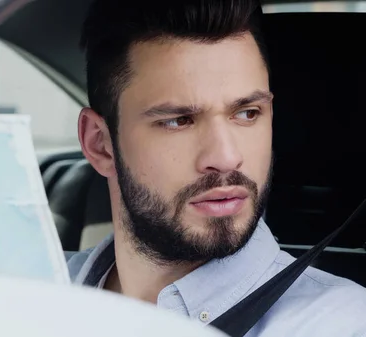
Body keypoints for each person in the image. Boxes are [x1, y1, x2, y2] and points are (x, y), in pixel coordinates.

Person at [67, 0, 366, 336]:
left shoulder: (341, 324)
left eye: (247, 113)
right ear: (99, 144)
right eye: (179, 121)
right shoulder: (21, 291)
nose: (226, 158)